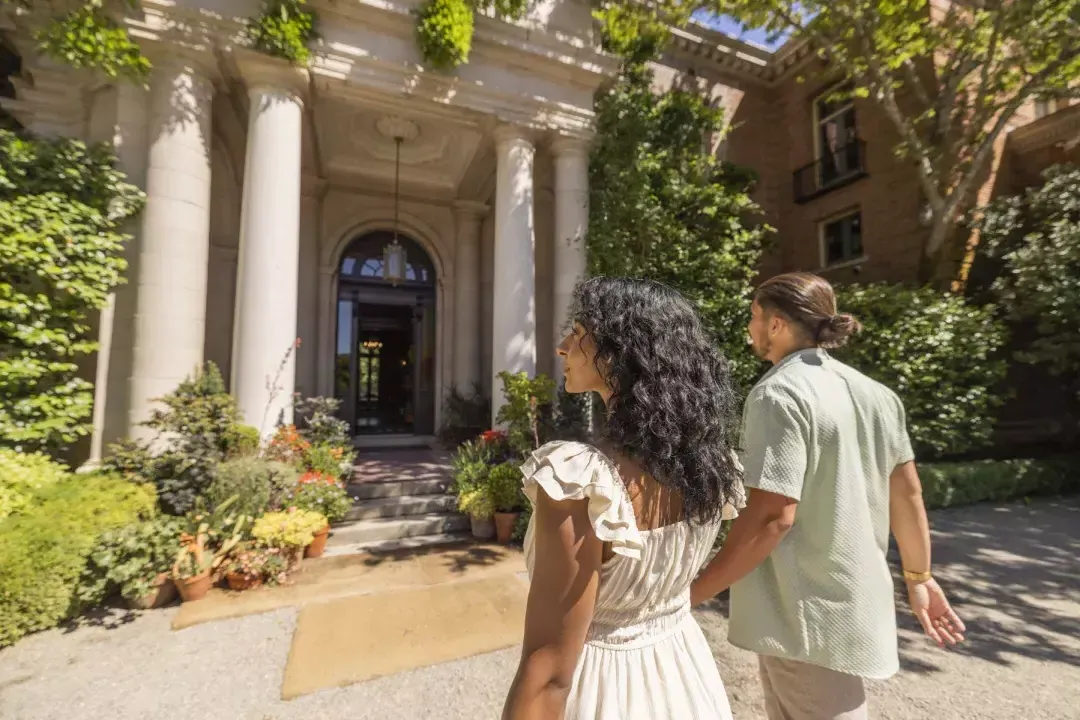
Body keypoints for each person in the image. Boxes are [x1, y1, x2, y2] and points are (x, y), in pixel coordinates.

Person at [690, 272, 966, 720]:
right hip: (853, 602)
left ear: (776, 324)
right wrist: (919, 577)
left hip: (803, 613)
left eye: (753, 317)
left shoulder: (778, 394)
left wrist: (690, 594)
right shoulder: (879, 396)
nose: (749, 329)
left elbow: (772, 517)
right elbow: (908, 494)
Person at [501, 277, 745, 720]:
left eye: (576, 335)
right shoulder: (709, 465)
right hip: (684, 676)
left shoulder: (581, 482)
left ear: (620, 355)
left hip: (604, 691)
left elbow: (550, 670)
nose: (561, 347)